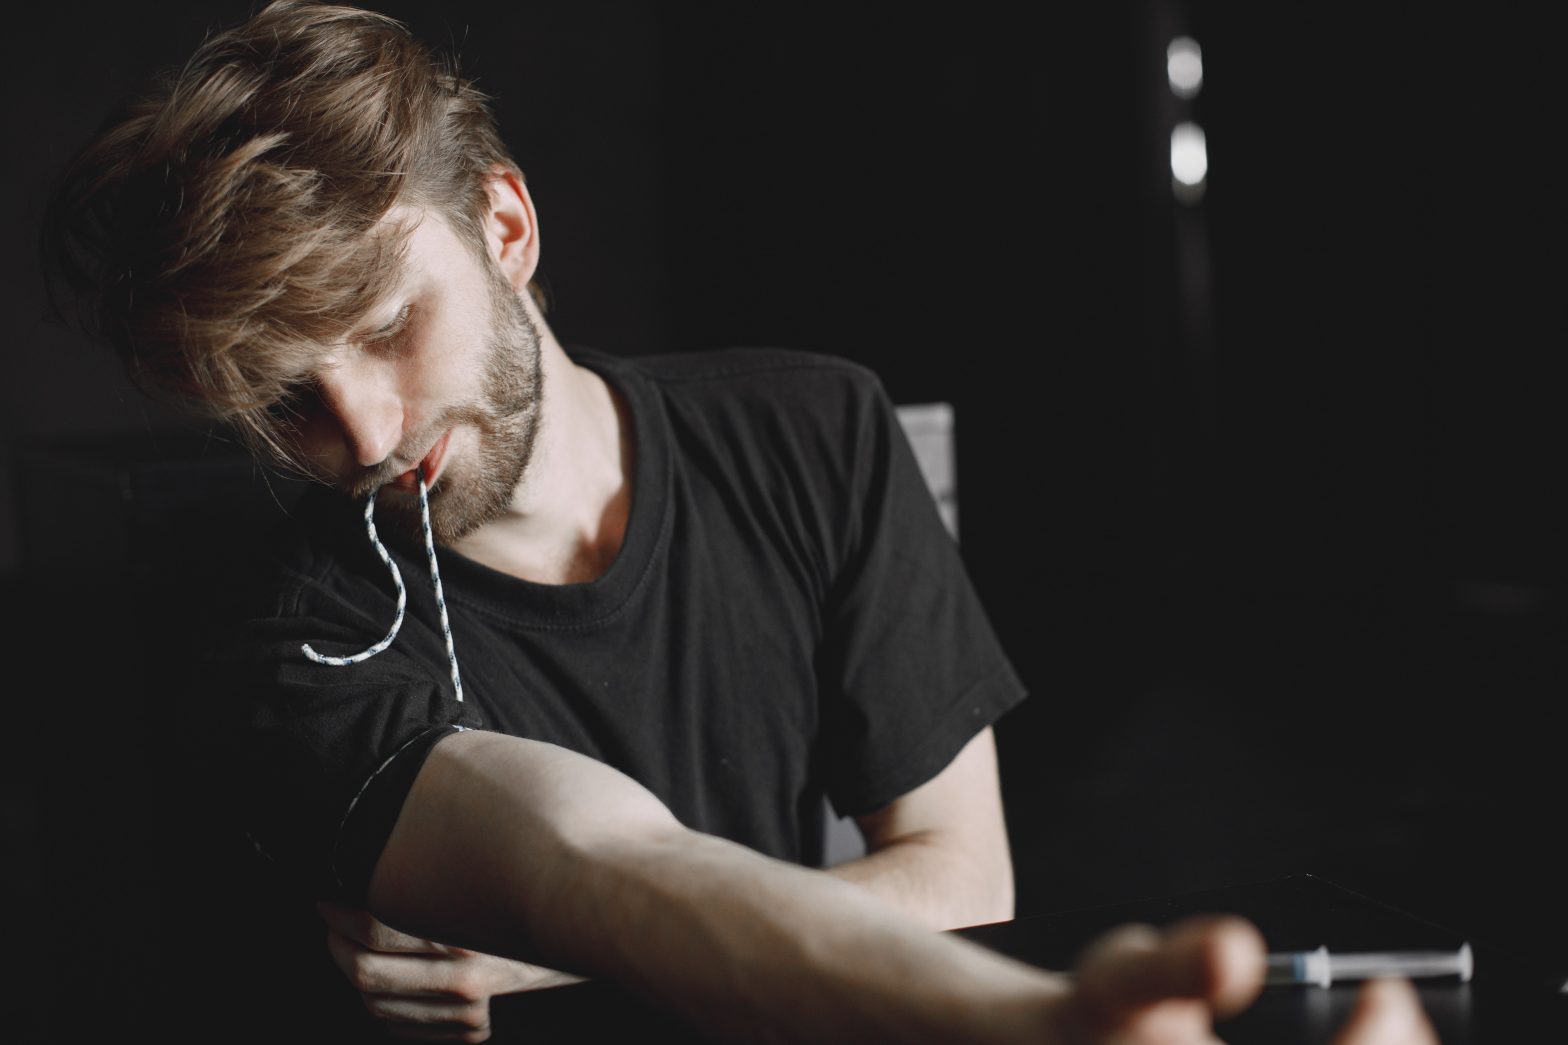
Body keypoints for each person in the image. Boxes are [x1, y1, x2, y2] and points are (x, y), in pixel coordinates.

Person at [41, 2, 1437, 1042]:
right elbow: (604, 861)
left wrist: (542, 955)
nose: (359, 434)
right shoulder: (302, 644)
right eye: (286, 401)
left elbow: (967, 868)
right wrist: (1027, 1017)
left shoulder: (815, 423)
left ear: (506, 228)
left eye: (391, 327)